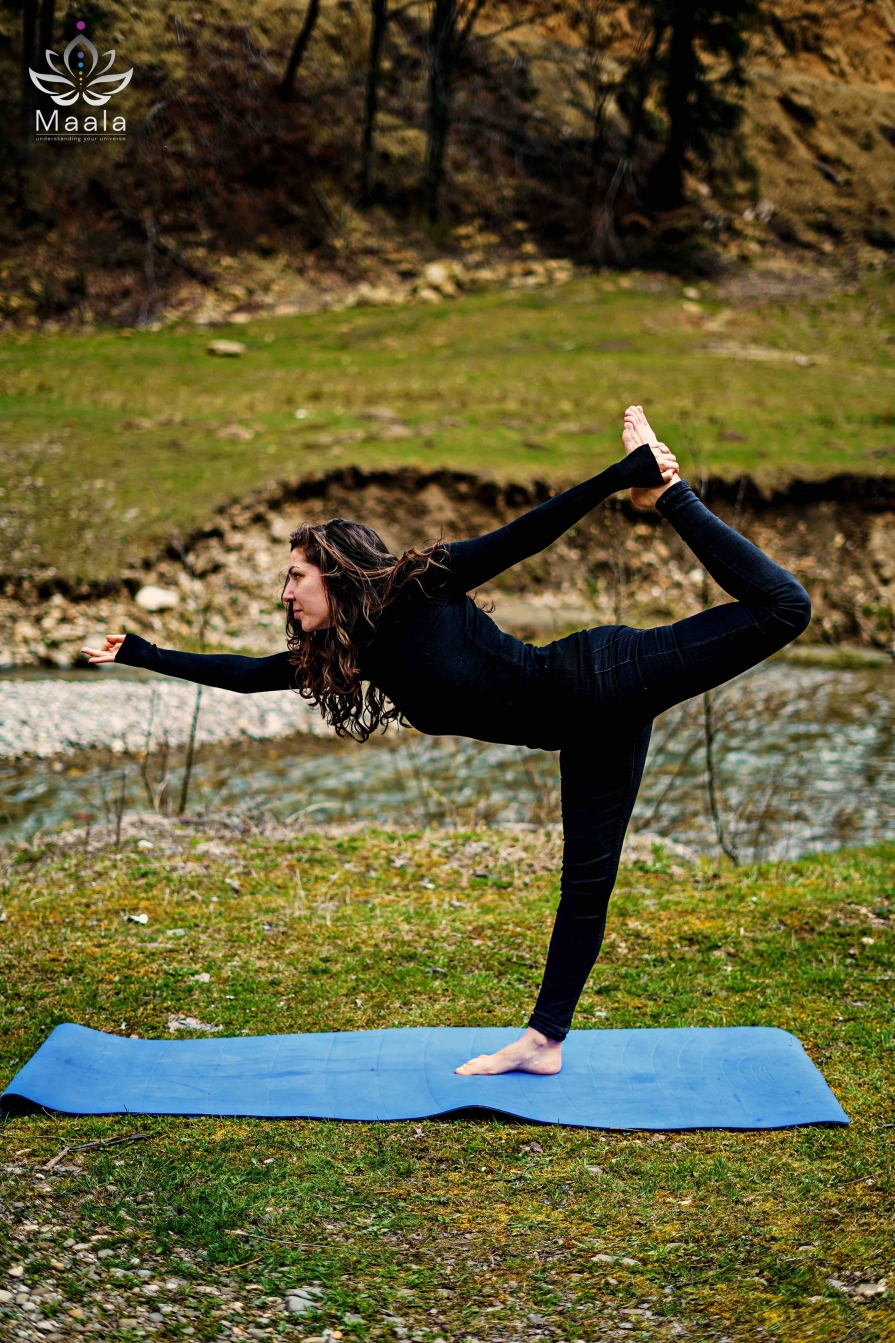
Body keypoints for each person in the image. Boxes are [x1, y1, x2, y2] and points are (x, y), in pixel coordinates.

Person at [83, 406, 810, 1077]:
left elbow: (527, 532)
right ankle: (543, 1041)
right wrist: (143, 651)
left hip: (602, 675)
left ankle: (669, 500)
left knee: (783, 607)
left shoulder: (419, 586)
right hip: (584, 726)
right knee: (585, 885)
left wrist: (627, 478)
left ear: (334, 574)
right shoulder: (359, 653)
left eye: (295, 576)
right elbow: (247, 675)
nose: (285, 593)